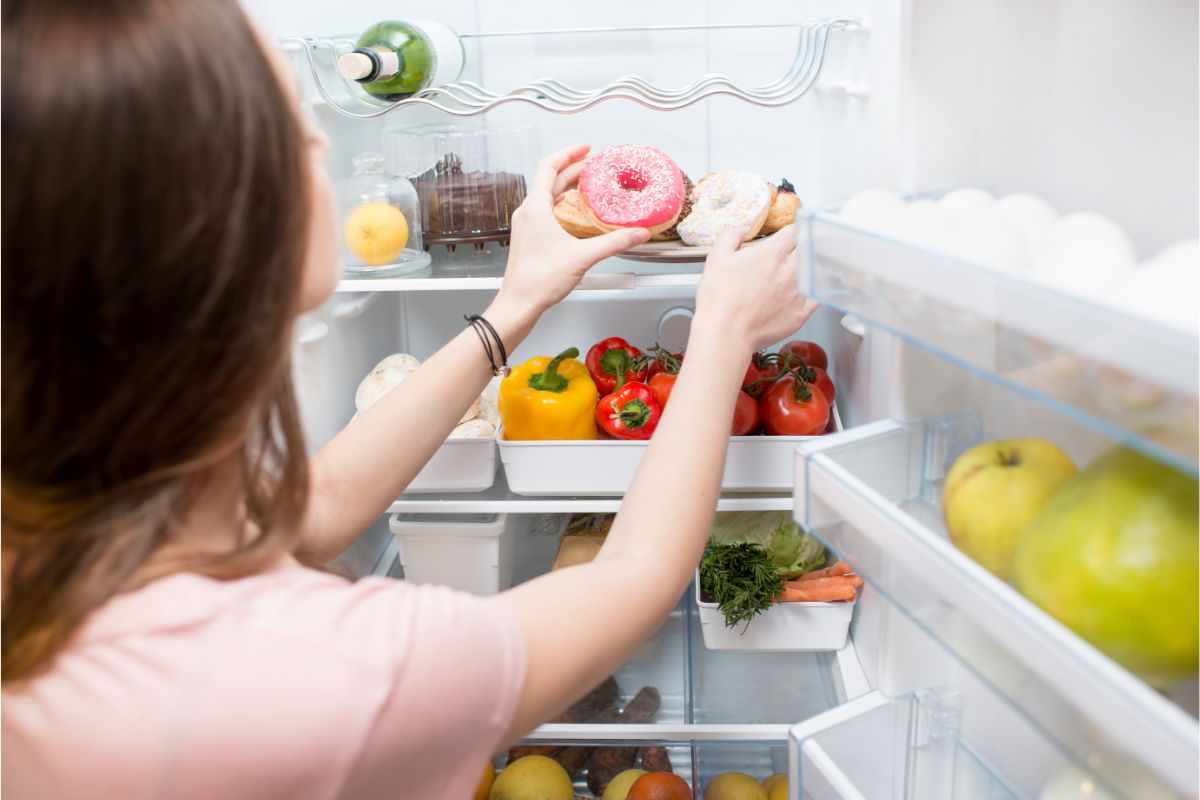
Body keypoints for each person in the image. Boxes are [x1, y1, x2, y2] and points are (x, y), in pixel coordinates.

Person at [1, 2, 818, 798]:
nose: (324, 140)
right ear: (213, 231)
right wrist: (721, 335)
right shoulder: (324, 678)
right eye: (292, 128)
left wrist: (513, 308)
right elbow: (629, 584)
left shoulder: (64, 536)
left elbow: (310, 514)